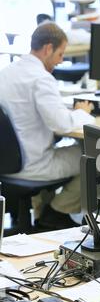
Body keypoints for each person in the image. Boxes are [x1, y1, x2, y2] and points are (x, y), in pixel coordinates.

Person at [0, 22, 95, 229]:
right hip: (32, 166)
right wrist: (82, 112)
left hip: (6, 166)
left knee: (63, 149)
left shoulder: (5, 73)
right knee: (97, 157)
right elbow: (61, 124)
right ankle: (56, 212)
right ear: (48, 49)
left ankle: (42, 214)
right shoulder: (41, 78)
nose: (60, 61)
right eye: (60, 54)